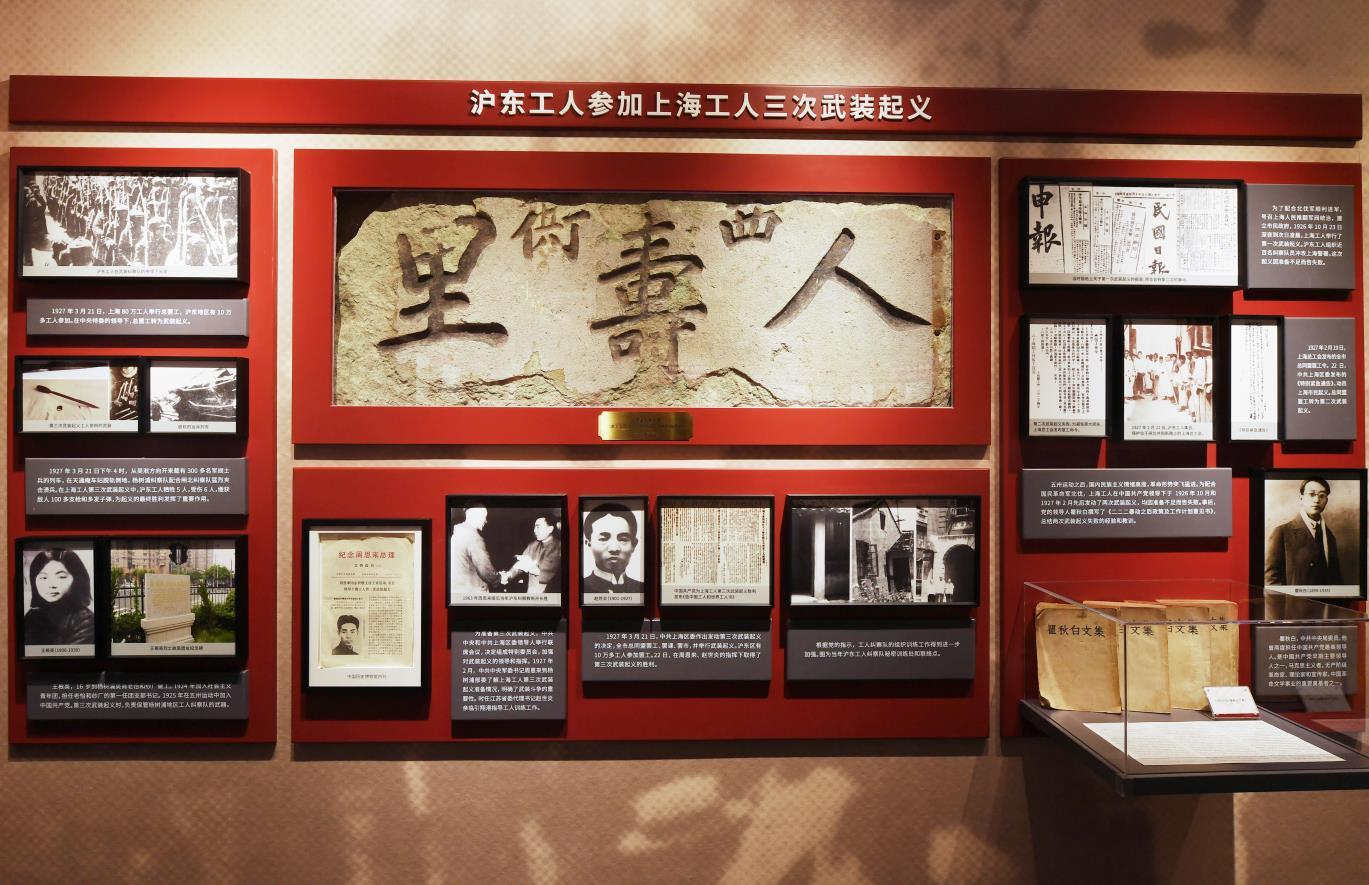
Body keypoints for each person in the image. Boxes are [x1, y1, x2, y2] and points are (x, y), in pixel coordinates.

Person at [1265, 477, 1342, 586]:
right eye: (1311, 494)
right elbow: (1271, 580)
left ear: (1326, 501)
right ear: (1301, 498)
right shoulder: (1282, 532)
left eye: (1322, 495)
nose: (1316, 500)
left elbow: (1335, 580)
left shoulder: (1329, 537)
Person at [24, 548, 94, 646]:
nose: (51, 585)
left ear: (77, 579)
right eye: (43, 577)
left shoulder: (85, 621)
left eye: (61, 577)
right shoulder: (32, 616)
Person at [582, 502, 644, 596]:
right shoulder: (580, 587)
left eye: (623, 539)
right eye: (603, 539)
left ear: (634, 545)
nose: (614, 548)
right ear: (588, 544)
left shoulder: (642, 589)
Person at [503, 513, 561, 595]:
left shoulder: (559, 547)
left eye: (538, 527)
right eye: (534, 527)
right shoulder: (532, 545)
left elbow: (555, 575)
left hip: (550, 595)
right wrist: (509, 575)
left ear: (550, 529)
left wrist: (533, 568)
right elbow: (520, 565)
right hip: (531, 593)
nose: (534, 530)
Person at [449, 505, 500, 596]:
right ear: (476, 516)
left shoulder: (458, 533)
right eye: (484, 517)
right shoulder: (473, 537)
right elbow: (484, 569)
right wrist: (498, 579)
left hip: (457, 589)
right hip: (471, 591)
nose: (486, 521)